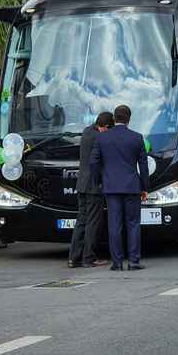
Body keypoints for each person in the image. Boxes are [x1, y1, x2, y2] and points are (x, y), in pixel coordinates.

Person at [90, 104, 150, 271]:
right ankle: (133, 261)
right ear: (129, 120)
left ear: (114, 119)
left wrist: (99, 182)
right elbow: (143, 166)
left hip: (111, 187)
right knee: (133, 224)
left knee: (114, 225)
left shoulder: (102, 138)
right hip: (132, 187)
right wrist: (145, 188)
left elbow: (93, 162)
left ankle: (116, 263)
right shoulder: (137, 138)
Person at [69, 111, 114, 268]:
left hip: (81, 184)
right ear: (105, 127)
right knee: (93, 222)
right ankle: (89, 258)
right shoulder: (100, 138)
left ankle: (73, 258)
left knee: (81, 220)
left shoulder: (87, 132)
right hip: (94, 186)